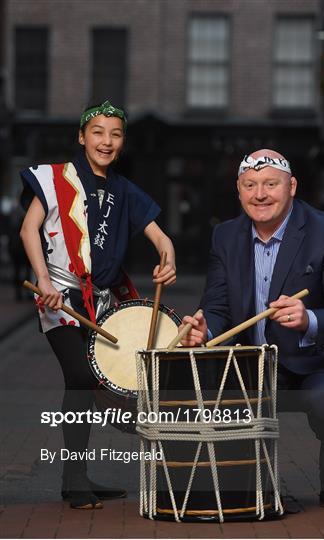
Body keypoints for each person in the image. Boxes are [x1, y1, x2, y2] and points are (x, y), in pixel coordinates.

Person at [180, 149, 324, 509]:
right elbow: (218, 309)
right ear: (238, 191)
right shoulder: (225, 236)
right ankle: (257, 476)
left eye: (271, 184)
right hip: (253, 363)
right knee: (218, 400)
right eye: (250, 185)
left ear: (292, 186)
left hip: (319, 361)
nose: (260, 194)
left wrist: (309, 319)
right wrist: (205, 330)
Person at [19, 100, 176, 509]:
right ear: (81, 136)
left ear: (123, 141)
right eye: (98, 132)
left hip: (103, 304)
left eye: (116, 134)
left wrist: (168, 256)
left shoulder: (124, 190)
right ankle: (73, 479)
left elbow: (160, 237)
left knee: (96, 383)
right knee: (80, 376)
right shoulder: (54, 179)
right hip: (61, 298)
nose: (106, 141)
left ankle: (81, 474)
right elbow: (28, 229)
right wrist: (42, 279)